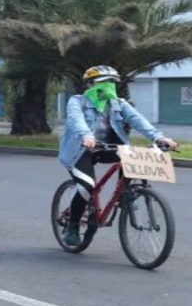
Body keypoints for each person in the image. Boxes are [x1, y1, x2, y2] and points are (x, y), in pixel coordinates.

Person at [58, 65, 178, 246]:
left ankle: (126, 195)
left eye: (112, 83)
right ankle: (73, 226)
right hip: (81, 150)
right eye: (103, 83)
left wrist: (159, 137)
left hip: (109, 147)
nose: (108, 87)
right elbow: (76, 120)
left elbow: (138, 120)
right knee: (86, 187)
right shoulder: (77, 101)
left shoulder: (118, 103)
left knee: (133, 158)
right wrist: (87, 136)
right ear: (90, 84)